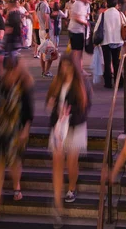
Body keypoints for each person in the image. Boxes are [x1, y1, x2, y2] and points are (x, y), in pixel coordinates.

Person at [0, 56, 34, 225]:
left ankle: (16, 186)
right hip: (2, 129)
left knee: (14, 163)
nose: (10, 74)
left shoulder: (23, 87)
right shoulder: (1, 84)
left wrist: (25, 131)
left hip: (17, 130)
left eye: (12, 71)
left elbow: (29, 113)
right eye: (8, 71)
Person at [46, 56, 91, 227]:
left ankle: (71, 188)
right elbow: (51, 105)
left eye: (68, 67)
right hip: (58, 128)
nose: (65, 70)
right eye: (63, 67)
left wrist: (69, 117)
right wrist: (53, 110)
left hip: (75, 127)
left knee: (71, 162)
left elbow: (84, 109)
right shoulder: (57, 83)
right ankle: (57, 203)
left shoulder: (81, 84)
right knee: (57, 162)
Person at [94, 0, 126, 89]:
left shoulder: (103, 14)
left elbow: (97, 28)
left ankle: (108, 82)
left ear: (107, 4)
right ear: (116, 4)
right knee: (117, 62)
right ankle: (119, 81)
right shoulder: (120, 14)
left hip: (106, 41)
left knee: (107, 62)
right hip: (118, 40)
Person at [68, 0, 92, 73]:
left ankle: (79, 69)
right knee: (77, 51)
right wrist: (85, 23)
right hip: (75, 30)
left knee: (79, 51)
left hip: (80, 30)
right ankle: (77, 70)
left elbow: (83, 16)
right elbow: (75, 17)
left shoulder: (84, 5)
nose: (89, 2)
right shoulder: (77, 4)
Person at [35, 0, 54, 78]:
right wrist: (47, 31)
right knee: (50, 51)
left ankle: (43, 70)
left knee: (43, 51)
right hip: (46, 30)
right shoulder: (45, 5)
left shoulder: (37, 5)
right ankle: (47, 71)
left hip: (40, 29)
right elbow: (46, 18)